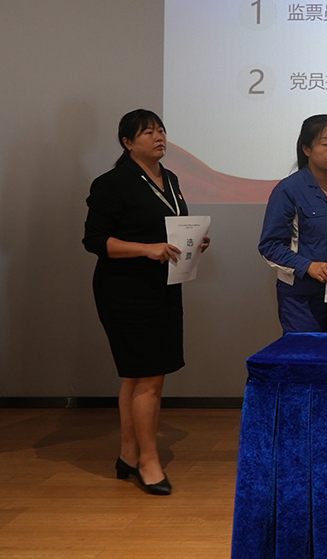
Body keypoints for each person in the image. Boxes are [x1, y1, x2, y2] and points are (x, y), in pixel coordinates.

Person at [83, 109, 209, 496]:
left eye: (161, 130)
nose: (159, 137)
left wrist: (193, 242)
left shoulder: (169, 179)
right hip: (125, 290)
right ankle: (149, 462)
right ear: (127, 142)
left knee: (137, 376)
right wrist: (146, 249)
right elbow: (94, 241)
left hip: (163, 285)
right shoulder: (112, 183)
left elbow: (169, 228)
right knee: (149, 376)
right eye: (148, 132)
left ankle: (128, 454)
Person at [258, 114, 327, 333]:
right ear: (306, 149)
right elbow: (270, 246)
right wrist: (308, 266)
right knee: (305, 352)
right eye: (326, 144)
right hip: (301, 298)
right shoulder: (288, 190)